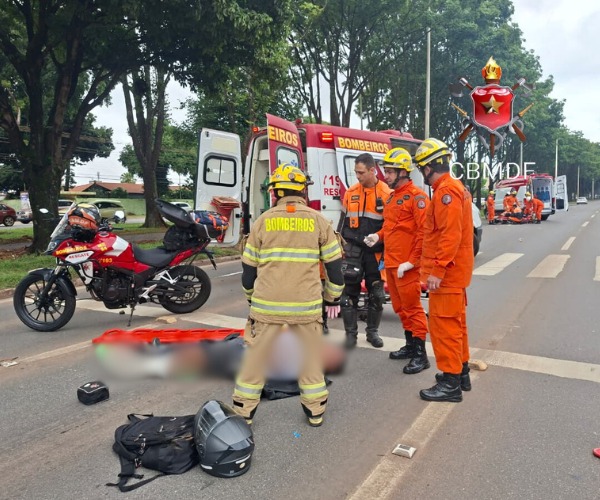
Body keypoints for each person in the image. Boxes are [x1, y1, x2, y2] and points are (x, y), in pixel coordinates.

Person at [234, 163, 344, 427]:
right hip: (306, 307)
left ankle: (243, 414)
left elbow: (248, 270)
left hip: (267, 306)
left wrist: (251, 298)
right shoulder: (319, 221)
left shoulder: (262, 222)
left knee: (256, 360)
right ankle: (315, 413)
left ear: (275, 192)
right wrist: (332, 298)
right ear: (303, 191)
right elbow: (335, 269)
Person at [413, 138, 474, 403]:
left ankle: (450, 383)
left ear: (428, 168)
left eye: (421, 169)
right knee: (456, 325)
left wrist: (437, 270)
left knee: (444, 328)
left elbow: (450, 235)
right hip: (454, 273)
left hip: (447, 274)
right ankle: (461, 373)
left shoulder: (446, 192)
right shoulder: (453, 188)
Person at [363, 148, 430, 374]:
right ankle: (410, 345)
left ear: (403, 172)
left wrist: (412, 262)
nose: (386, 175)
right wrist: (377, 236)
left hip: (407, 266)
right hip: (392, 264)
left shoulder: (418, 197)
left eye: (390, 172)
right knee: (400, 308)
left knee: (413, 309)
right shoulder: (392, 197)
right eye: (386, 171)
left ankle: (421, 354)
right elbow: (390, 227)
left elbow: (424, 233)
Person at [338, 153, 392, 349]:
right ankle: (350, 334)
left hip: (375, 252)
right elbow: (342, 224)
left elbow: (391, 227)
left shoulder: (386, 194)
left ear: (372, 170)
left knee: (377, 294)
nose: (358, 176)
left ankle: (372, 332)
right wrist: (341, 246)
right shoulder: (351, 192)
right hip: (353, 249)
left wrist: (379, 239)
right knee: (348, 295)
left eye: (361, 172)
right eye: (356, 172)